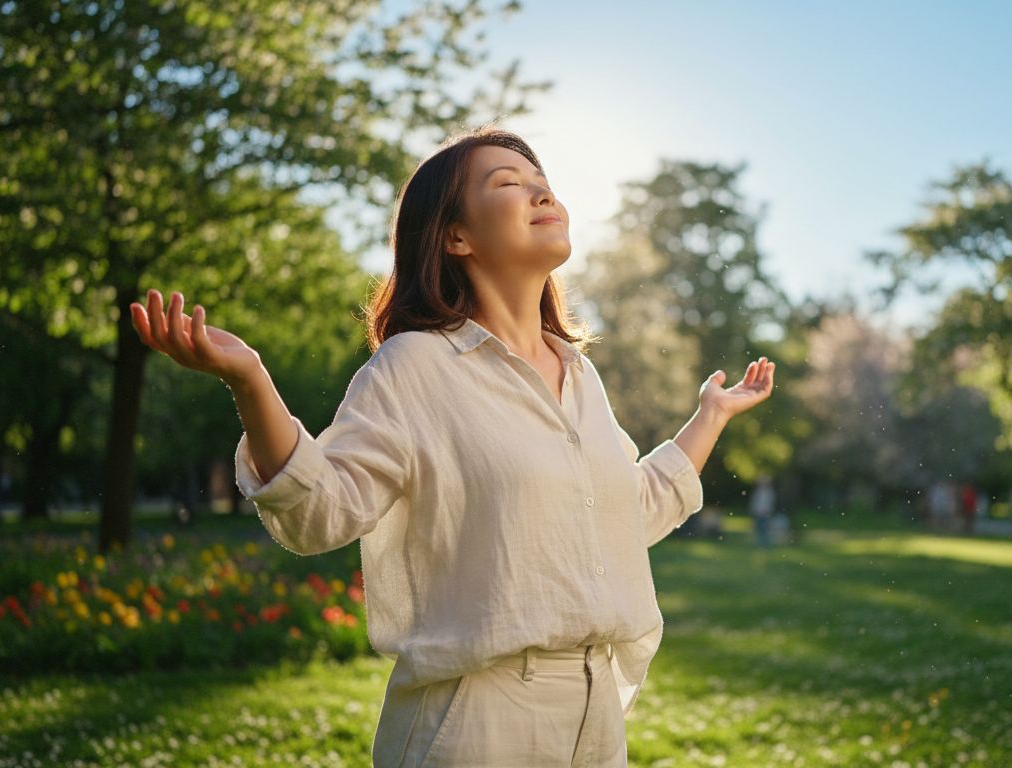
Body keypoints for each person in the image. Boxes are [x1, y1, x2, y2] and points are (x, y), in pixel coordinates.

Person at [128, 127, 777, 767]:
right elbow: (318, 512)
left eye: (544, 185)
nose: (541, 194)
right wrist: (252, 381)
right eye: (509, 183)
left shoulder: (580, 376)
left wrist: (710, 416)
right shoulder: (417, 365)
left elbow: (628, 510)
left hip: (597, 720)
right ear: (455, 235)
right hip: (477, 722)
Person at [748, 474, 776, 548]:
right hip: (758, 512)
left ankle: (765, 543)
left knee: (764, 528)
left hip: (765, 513)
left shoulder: (769, 492)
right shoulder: (758, 491)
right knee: (758, 528)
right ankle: (760, 543)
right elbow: (754, 502)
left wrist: (768, 511)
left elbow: (770, 503)